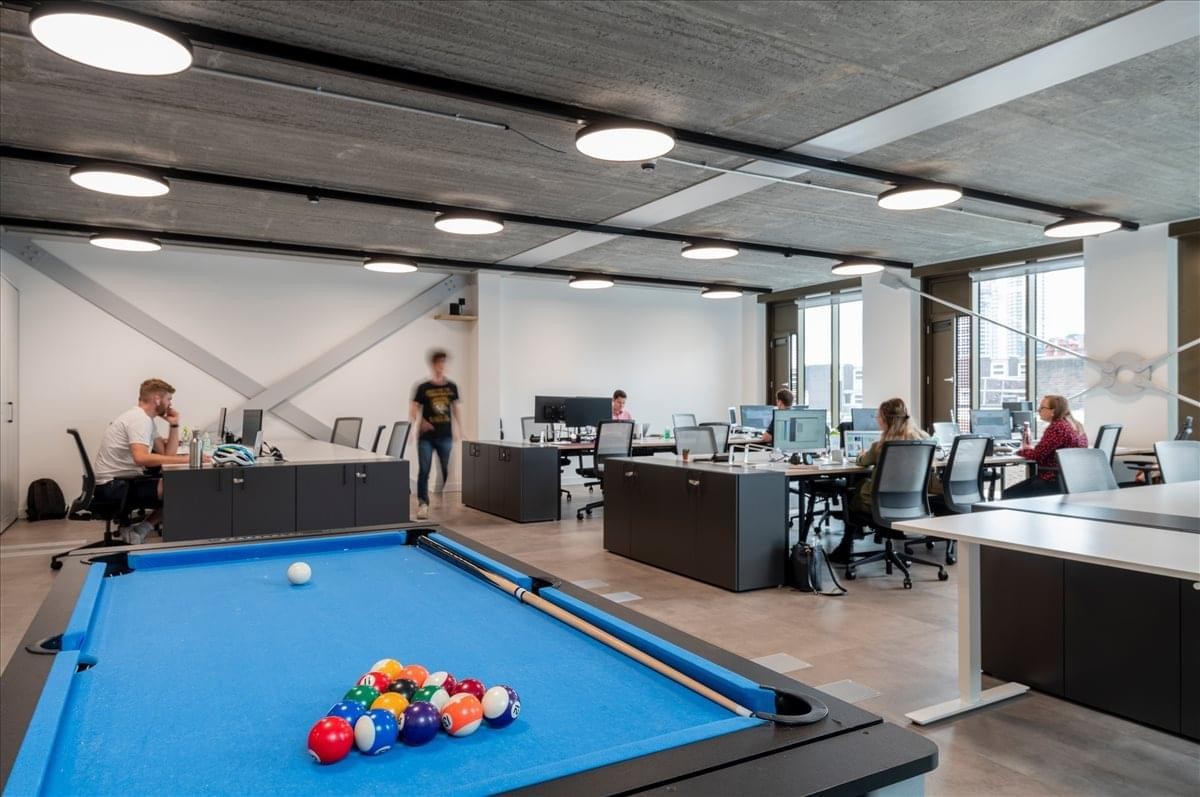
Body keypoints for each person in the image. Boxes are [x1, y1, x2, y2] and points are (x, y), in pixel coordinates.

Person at [832, 397, 933, 562]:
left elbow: (862, 462)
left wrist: (861, 455)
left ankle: (846, 547)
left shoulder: (881, 446)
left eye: (878, 416)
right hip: (913, 504)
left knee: (852, 489)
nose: (877, 420)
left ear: (886, 420)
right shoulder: (925, 440)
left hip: (880, 505)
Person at [93, 378, 193, 543]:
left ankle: (139, 531)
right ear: (157, 399)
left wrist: (174, 425)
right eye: (169, 399)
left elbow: (167, 454)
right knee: (184, 486)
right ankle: (141, 530)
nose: (170, 404)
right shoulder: (140, 420)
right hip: (113, 486)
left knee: (180, 483)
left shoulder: (146, 419)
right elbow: (141, 458)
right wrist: (187, 460)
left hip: (117, 482)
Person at [1002, 394, 1088, 498]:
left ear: (1053, 411)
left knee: (1007, 494)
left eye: (1042, 408)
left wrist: (1019, 451)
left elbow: (1037, 455)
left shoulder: (1057, 427)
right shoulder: (1076, 425)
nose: (1038, 410)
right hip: (1073, 479)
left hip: (1053, 480)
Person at [410, 350, 461, 520]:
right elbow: (414, 407)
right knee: (424, 470)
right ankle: (423, 504)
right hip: (426, 437)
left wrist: (459, 428)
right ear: (433, 365)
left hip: (445, 435)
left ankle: (439, 493)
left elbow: (455, 408)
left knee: (445, 469)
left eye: (443, 362)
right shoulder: (423, 387)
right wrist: (419, 421)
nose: (442, 366)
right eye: (439, 362)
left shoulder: (451, 386)